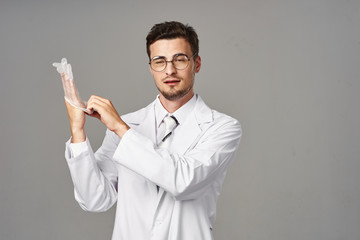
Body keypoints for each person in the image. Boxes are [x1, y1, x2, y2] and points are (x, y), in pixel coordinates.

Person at [64, 21, 242, 240]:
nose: (169, 70)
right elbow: (94, 199)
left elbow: (184, 182)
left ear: (196, 63)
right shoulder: (128, 126)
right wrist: (78, 131)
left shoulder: (222, 128)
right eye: (159, 61)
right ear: (150, 67)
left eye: (180, 59)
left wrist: (121, 129)